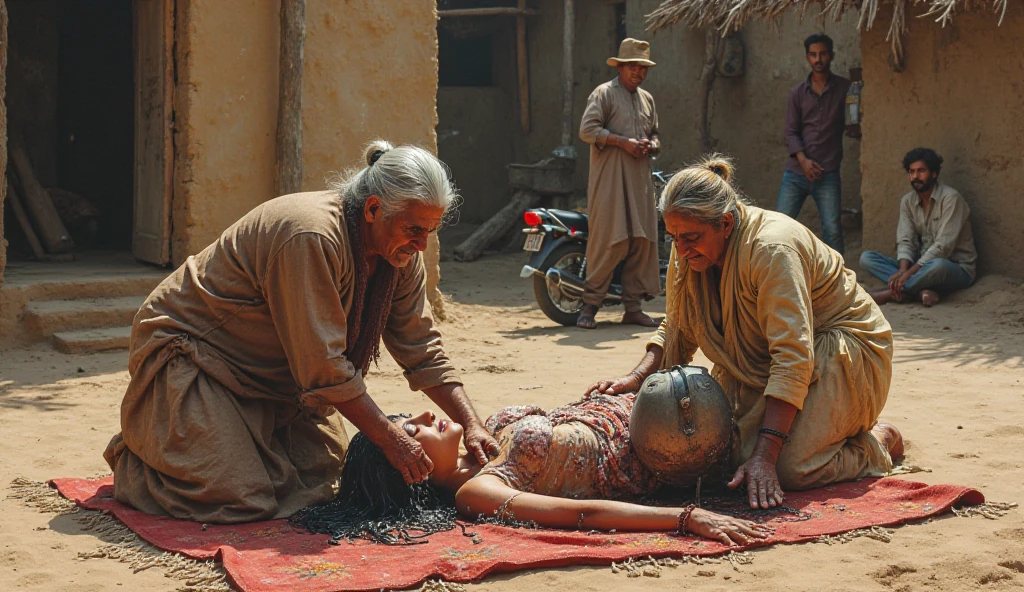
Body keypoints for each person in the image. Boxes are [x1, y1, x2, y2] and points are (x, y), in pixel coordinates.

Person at [104, 141, 499, 524]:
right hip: (195, 356)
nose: (422, 244)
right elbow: (323, 368)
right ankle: (141, 453)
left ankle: (216, 444)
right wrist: (391, 439)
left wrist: (474, 423)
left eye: (431, 230)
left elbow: (422, 349)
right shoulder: (310, 236)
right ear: (374, 209)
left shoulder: (401, 255)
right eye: (414, 229)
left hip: (278, 380)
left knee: (325, 484)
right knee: (241, 498)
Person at [588, 155, 904, 510]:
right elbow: (677, 326)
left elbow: (793, 356)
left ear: (725, 223)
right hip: (767, 362)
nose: (680, 249)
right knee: (720, 451)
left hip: (846, 352)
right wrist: (637, 377)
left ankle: (876, 441)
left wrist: (766, 458)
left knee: (791, 468)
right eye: (673, 237)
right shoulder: (688, 246)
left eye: (690, 238)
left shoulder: (772, 250)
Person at [293, 393, 773, 547]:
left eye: (408, 418)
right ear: (408, 470)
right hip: (665, 445)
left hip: (641, 403)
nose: (422, 416)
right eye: (412, 434)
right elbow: (580, 515)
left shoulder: (474, 440)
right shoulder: (476, 491)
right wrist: (686, 518)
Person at [576, 38, 662, 330]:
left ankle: (633, 308)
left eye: (643, 68)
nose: (638, 72)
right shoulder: (604, 94)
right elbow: (587, 131)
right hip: (610, 180)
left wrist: (650, 144)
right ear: (621, 66)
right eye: (633, 67)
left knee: (641, 240)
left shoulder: (647, 99)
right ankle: (590, 305)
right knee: (610, 241)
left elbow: (656, 134)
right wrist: (622, 142)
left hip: (639, 181)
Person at [860, 148, 976, 307]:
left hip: (955, 268)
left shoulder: (951, 199)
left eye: (921, 171)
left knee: (938, 265)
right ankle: (920, 291)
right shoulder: (907, 202)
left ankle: (890, 294)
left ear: (934, 173)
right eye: (911, 171)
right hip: (920, 268)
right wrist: (902, 271)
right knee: (867, 258)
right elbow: (906, 240)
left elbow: (943, 247)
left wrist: (908, 274)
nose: (915, 176)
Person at [775, 33, 852, 254]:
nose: (818, 59)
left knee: (833, 230)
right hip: (796, 174)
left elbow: (855, 118)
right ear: (807, 58)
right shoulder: (797, 93)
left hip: (827, 173)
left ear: (832, 55)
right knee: (779, 225)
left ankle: (838, 280)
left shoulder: (844, 89)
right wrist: (804, 161)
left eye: (823, 54)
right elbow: (790, 132)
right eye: (813, 55)